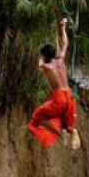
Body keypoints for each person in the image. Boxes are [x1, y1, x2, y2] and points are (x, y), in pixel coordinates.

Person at [27, 18, 80, 149]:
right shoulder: (60, 59)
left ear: (45, 56)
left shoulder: (46, 66)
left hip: (59, 98)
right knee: (65, 122)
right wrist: (63, 28)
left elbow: (39, 64)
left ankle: (59, 133)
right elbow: (65, 43)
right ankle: (71, 130)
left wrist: (42, 57)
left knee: (37, 117)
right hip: (69, 95)